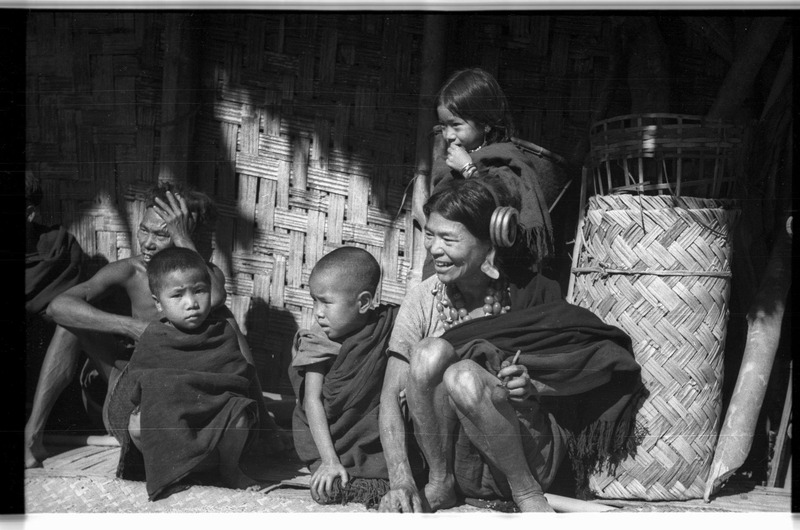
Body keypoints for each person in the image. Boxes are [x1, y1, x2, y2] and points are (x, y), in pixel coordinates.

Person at [378, 176, 644, 513]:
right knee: (430, 353)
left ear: (489, 244)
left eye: (448, 238)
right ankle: (439, 482)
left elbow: (604, 365)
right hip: (459, 466)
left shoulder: (534, 293)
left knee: (463, 374)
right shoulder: (422, 300)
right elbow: (390, 396)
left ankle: (526, 493)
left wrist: (536, 385)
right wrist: (401, 479)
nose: (434, 249)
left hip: (526, 453)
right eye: (430, 235)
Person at [24, 182, 289, 468]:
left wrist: (182, 237)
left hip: (193, 402)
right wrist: (133, 328)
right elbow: (57, 306)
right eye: (144, 230)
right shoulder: (129, 272)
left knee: (226, 321)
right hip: (133, 402)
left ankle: (263, 421)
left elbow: (215, 296)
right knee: (71, 319)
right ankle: (32, 436)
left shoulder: (205, 279)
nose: (148, 242)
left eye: (163, 234)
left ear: (183, 234)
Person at [116, 247, 263, 500]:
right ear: (158, 303)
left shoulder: (222, 331)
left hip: (217, 437)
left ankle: (231, 471)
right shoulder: (154, 336)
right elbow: (140, 381)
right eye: (177, 295)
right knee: (137, 425)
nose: (191, 303)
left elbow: (237, 378)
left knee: (239, 412)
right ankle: (173, 471)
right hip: (172, 429)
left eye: (199, 291)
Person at [289, 246, 405, 506]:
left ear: (363, 302)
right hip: (332, 437)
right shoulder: (319, 338)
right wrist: (329, 461)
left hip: (378, 432)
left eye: (326, 302)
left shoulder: (389, 325)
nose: (318, 312)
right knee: (329, 488)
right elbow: (313, 401)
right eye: (314, 300)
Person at [430, 67, 561, 272]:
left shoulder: (505, 160)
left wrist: (468, 169)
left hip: (489, 268)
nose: (447, 135)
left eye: (456, 125)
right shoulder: (447, 162)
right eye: (443, 125)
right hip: (445, 260)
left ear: (486, 124)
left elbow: (499, 207)